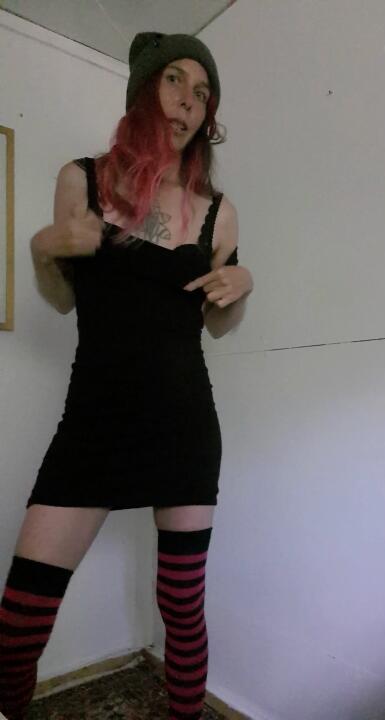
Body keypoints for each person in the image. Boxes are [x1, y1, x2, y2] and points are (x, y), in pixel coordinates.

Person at [0, 31, 253, 720]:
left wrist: (243, 284)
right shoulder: (81, 180)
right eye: (174, 80)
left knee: (182, 606)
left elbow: (218, 324)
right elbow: (62, 299)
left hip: (183, 428)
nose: (188, 101)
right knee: (19, 621)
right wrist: (42, 248)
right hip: (94, 423)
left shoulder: (218, 212)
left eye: (202, 92)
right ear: (144, 89)